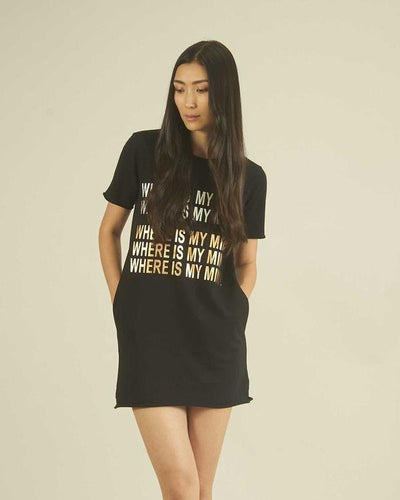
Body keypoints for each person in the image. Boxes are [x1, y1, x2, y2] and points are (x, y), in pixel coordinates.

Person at [98, 40, 267, 500]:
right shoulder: (143, 150)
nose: (188, 102)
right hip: (150, 338)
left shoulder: (248, 177)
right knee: (181, 485)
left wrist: (235, 309)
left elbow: (247, 261)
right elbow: (109, 231)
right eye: (179, 89)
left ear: (224, 94)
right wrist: (121, 300)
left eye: (201, 89)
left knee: (201, 489)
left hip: (215, 342)